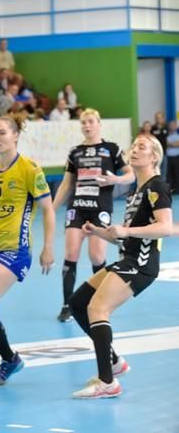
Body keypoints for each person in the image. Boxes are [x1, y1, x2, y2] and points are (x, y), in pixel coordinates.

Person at [69, 134, 172, 398]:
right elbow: (124, 237)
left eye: (142, 147)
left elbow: (165, 228)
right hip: (128, 259)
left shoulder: (156, 187)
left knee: (97, 307)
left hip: (141, 264)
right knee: (79, 302)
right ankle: (114, 362)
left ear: (154, 157)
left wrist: (126, 231)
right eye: (134, 146)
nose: (135, 150)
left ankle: (108, 382)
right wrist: (99, 232)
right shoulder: (135, 191)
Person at [0, 115, 56, 385]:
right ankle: (10, 358)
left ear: (16, 135)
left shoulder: (29, 169)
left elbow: (48, 209)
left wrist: (48, 247)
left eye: (2, 133)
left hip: (14, 251)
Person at [52, 109, 134, 322]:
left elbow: (130, 175)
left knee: (97, 256)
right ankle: (66, 305)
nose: (87, 126)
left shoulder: (111, 149)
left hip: (100, 209)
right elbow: (66, 183)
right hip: (77, 207)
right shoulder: (75, 151)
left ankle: (99, 302)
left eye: (90, 122)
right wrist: (51, 209)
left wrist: (114, 180)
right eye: (83, 123)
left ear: (99, 123)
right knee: (71, 254)